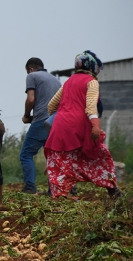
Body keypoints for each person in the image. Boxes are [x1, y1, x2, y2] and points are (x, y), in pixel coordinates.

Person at [44, 50, 122, 199]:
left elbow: (51, 106)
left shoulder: (68, 82)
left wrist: (62, 115)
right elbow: (91, 106)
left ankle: (61, 195)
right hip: (79, 126)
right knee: (100, 156)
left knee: (61, 161)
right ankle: (112, 190)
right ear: (92, 67)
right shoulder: (91, 82)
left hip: (60, 127)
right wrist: (95, 124)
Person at [20, 57, 61, 194]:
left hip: (41, 121)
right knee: (52, 156)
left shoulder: (32, 76)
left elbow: (31, 99)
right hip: (56, 123)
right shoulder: (55, 79)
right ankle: (53, 189)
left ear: (30, 69)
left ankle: (30, 187)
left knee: (26, 154)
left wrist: (26, 115)